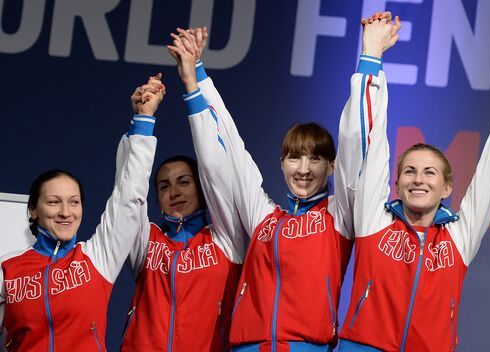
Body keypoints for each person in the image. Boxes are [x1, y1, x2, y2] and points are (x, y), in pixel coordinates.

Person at [167, 19, 399, 350]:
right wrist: (195, 79)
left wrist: (370, 57)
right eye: (294, 158)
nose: (303, 170)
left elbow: (359, 143)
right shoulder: (264, 217)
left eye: (315, 159)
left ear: (332, 165)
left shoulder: (339, 215)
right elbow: (226, 152)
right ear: (281, 163)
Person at [338, 13, 490, 352]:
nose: (419, 179)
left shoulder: (459, 237)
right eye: (409, 171)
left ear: (447, 188)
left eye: (430, 172)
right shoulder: (373, 221)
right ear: (396, 183)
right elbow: (369, 140)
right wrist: (372, 54)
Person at [0, 75, 163, 351]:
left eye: (74, 202)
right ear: (33, 210)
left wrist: (143, 121)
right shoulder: (8, 268)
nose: (66, 212)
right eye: (54, 202)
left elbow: (128, 195)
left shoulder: (96, 257)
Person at [120, 37, 247, 352]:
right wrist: (143, 119)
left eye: (184, 182)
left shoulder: (225, 239)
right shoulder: (146, 241)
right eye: (164, 185)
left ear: (201, 188)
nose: (174, 191)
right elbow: (128, 192)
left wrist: (192, 82)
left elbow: (215, 164)